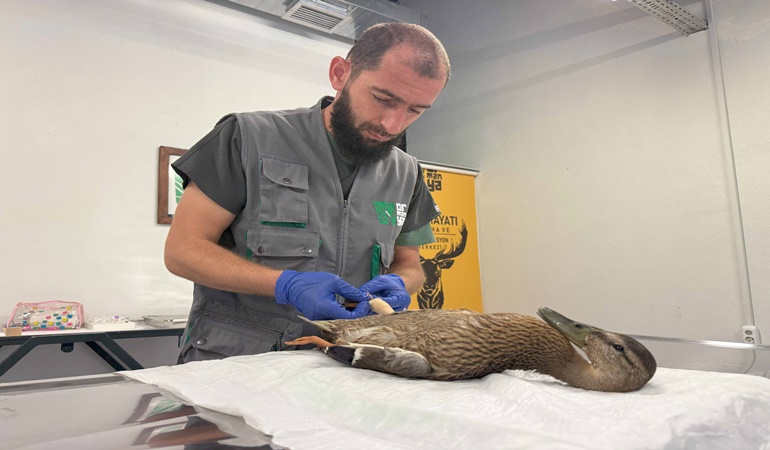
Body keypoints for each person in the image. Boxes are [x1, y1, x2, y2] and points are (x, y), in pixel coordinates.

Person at [164, 22, 451, 363]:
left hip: (344, 361)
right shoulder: (247, 137)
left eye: (415, 110)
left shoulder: (406, 173)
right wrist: (283, 284)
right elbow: (182, 251)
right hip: (236, 362)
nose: (393, 125)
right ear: (340, 74)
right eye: (383, 99)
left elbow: (410, 264)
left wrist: (401, 283)